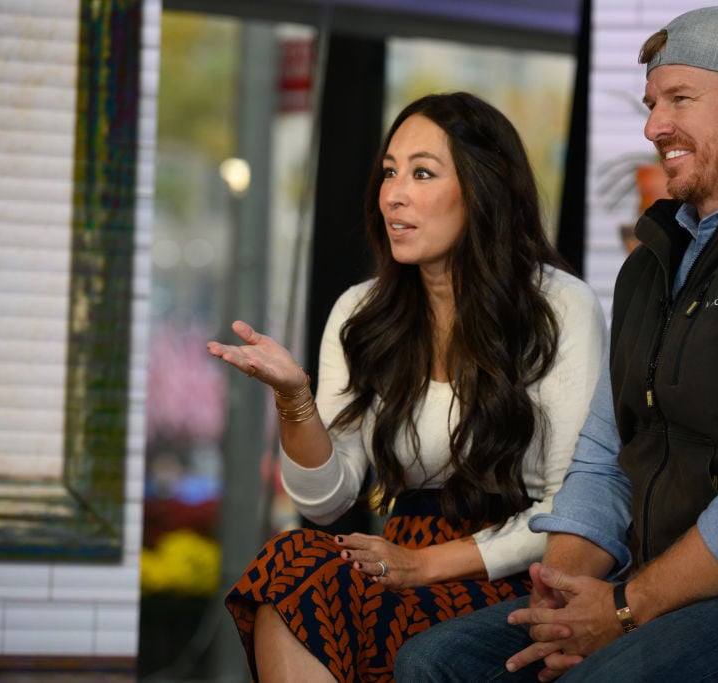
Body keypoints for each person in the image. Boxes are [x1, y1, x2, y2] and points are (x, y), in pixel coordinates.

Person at [394, 6, 718, 681]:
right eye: (651, 103)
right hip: (667, 596)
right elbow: (607, 455)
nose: (652, 126)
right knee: (434, 661)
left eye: (679, 99)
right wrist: (565, 594)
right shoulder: (652, 264)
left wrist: (626, 607)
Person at [206, 91, 607, 682]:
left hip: (515, 567)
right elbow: (326, 502)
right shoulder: (360, 312)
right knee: (289, 564)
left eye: (422, 173)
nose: (393, 194)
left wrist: (427, 566)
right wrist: (294, 398)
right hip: (396, 558)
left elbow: (571, 507)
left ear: (483, 187)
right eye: (390, 173)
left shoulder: (559, 305)